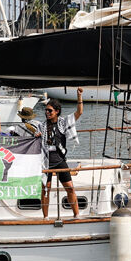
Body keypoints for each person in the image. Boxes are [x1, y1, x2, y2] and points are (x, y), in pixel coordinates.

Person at [39, 88, 84, 219]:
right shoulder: (41, 126)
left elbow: (79, 112)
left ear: (57, 111)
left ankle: (76, 215)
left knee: (70, 188)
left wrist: (79, 96)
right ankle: (45, 217)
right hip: (46, 161)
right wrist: (37, 136)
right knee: (45, 190)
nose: (47, 112)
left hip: (59, 160)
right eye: (46, 110)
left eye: (50, 110)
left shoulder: (63, 123)